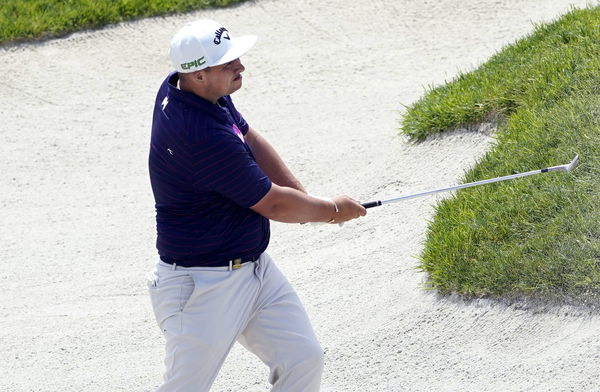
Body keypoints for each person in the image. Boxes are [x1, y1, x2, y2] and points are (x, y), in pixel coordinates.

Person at [147, 19, 366, 392]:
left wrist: (303, 195)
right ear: (199, 74)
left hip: (254, 271)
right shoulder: (198, 134)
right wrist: (330, 211)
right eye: (228, 63)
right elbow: (275, 206)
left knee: (302, 359)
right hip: (203, 286)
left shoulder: (194, 90)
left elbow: (248, 137)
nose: (241, 67)